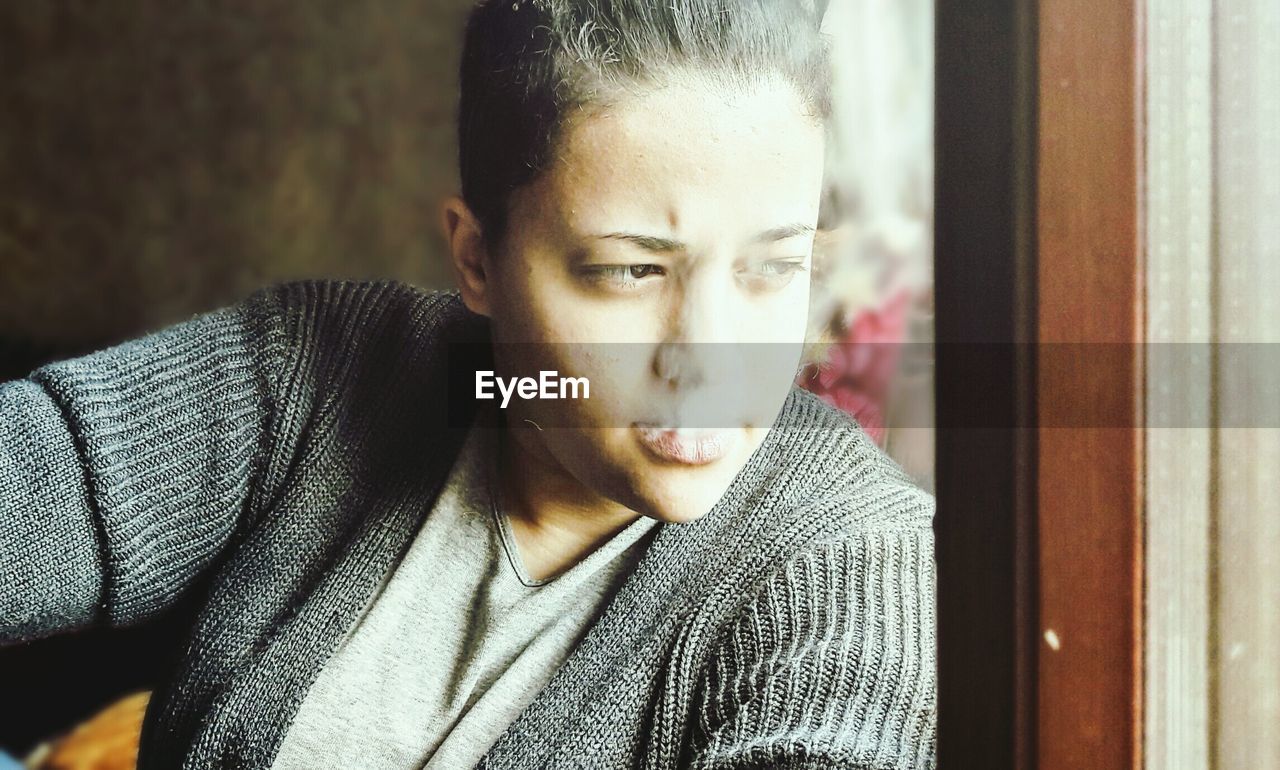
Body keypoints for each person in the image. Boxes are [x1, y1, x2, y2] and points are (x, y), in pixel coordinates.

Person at [0, 0, 937, 767]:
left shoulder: (853, 559)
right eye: (629, 272)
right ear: (477, 257)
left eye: (773, 267)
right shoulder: (320, 373)